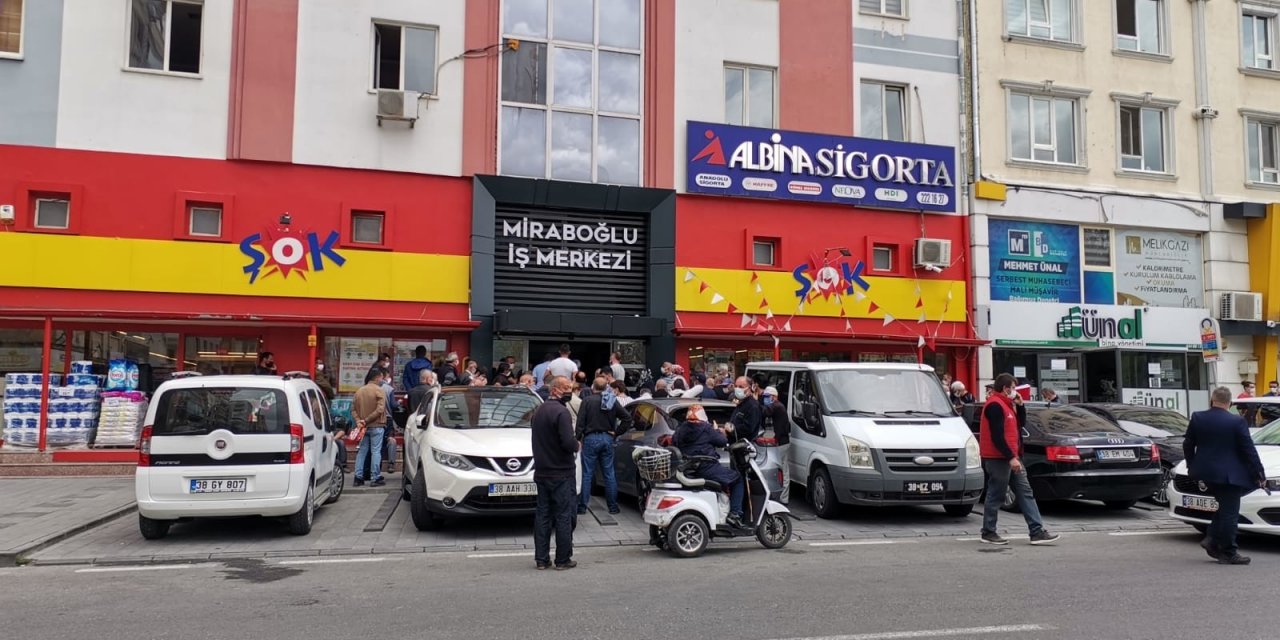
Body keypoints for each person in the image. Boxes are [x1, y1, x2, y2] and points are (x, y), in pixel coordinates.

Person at [1184, 387, 1266, 565]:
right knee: (1230, 513)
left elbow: (1188, 444)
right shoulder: (1236, 421)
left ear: (1212, 399)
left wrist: (1192, 466)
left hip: (1205, 473)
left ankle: (1212, 538)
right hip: (1229, 476)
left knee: (1225, 508)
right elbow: (1248, 449)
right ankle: (1228, 552)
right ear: (1230, 403)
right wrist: (1259, 473)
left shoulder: (1198, 417)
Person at [978, 373, 1060, 546]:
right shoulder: (995, 405)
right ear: (1005, 388)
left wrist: (1021, 407)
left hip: (1011, 457)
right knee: (996, 494)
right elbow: (997, 436)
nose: (1015, 391)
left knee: (1025, 492)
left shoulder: (1007, 405)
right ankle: (988, 531)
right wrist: (1010, 457)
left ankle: (1036, 531)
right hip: (999, 458)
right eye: (1013, 388)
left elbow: (1019, 425)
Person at [530, 376, 579, 570]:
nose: (570, 391)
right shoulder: (562, 412)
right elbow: (568, 442)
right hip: (561, 472)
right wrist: (577, 444)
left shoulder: (539, 410)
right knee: (563, 516)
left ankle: (541, 559)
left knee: (542, 515)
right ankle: (562, 559)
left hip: (542, 471)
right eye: (566, 388)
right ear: (556, 390)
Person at [673, 404, 746, 528]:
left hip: (689, 468)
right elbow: (722, 441)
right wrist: (717, 430)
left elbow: (674, 440)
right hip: (706, 467)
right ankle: (735, 514)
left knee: (725, 477)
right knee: (737, 479)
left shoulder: (682, 428)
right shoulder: (705, 428)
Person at [575, 377, 633, 515]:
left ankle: (582, 506)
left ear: (593, 387)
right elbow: (627, 418)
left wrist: (577, 438)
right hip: (607, 438)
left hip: (590, 439)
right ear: (606, 387)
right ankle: (613, 507)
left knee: (587, 473)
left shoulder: (587, 401)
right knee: (609, 474)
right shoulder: (612, 400)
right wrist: (616, 433)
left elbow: (580, 423)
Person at [352, 369, 389, 487]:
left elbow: (353, 409)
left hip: (363, 428)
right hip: (377, 425)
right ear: (377, 377)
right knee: (376, 451)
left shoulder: (359, 391)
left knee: (362, 451)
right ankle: (375, 477)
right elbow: (380, 409)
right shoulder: (379, 390)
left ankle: (358, 477)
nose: (382, 380)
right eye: (382, 377)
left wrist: (359, 421)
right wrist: (366, 420)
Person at [762, 386, 791, 505]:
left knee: (783, 470)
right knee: (782, 469)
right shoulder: (778, 406)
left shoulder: (777, 406)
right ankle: (782, 497)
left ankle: (784, 498)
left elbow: (765, 411)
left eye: (767, 397)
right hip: (781, 442)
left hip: (781, 443)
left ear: (774, 397)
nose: (765, 400)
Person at [729, 376, 763, 442]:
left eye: (741, 387)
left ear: (749, 388)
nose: (737, 389)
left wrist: (730, 430)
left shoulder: (752, 406)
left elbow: (748, 429)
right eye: (736, 386)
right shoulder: (741, 403)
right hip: (736, 445)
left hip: (744, 446)